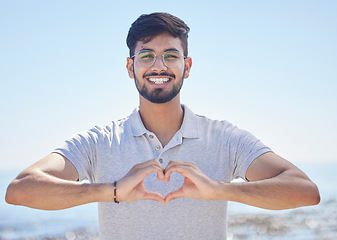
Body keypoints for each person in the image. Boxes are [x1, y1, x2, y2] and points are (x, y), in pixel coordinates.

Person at [6, 12, 320, 239]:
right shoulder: (100, 141)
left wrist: (218, 190)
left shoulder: (225, 138)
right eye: (147, 56)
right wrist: (112, 191)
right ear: (131, 67)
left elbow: (305, 192)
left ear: (188, 66)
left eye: (171, 55)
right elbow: (20, 191)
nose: (159, 65)